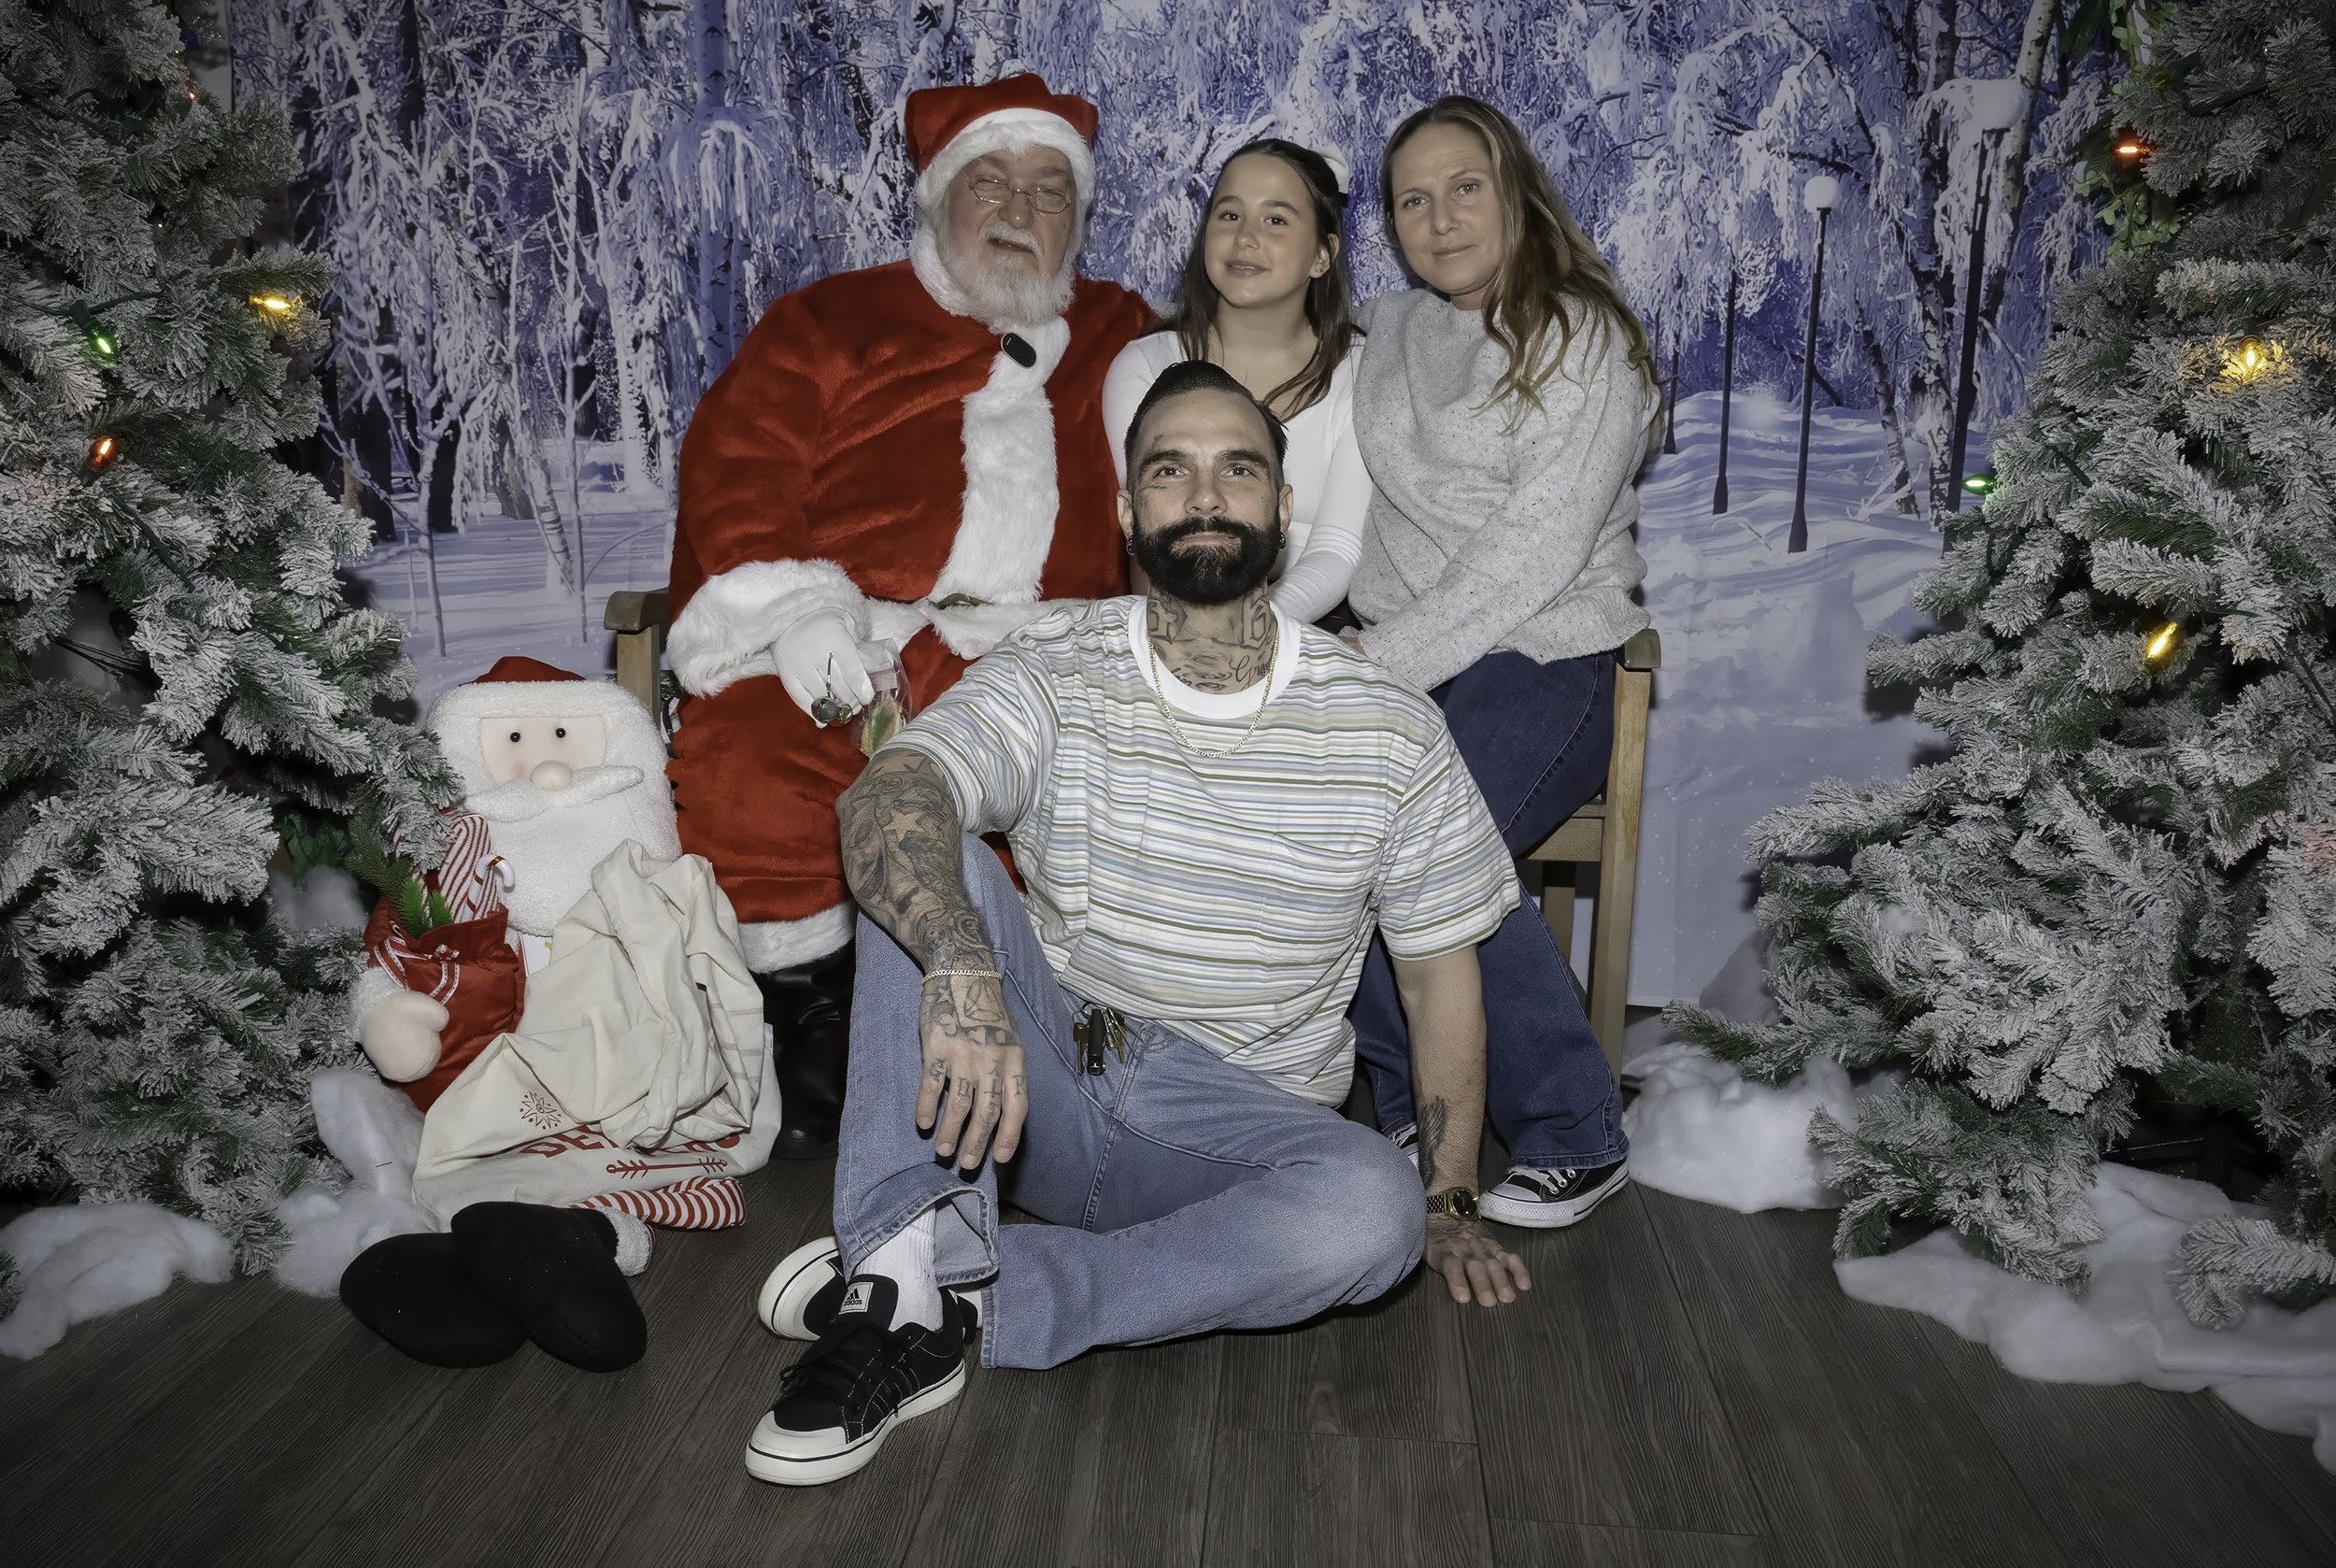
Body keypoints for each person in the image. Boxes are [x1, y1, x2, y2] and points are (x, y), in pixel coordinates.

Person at [738, 362, 1531, 1488]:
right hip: (1045, 1085)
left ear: (1283, 505)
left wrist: (1450, 1194)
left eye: (1237, 468)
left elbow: (1439, 978)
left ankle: (940, 1294)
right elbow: (892, 790)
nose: (1205, 494)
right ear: (1126, 511)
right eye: (1171, 470)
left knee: (1370, 1209)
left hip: (1235, 1137)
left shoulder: (1388, 727)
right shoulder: (1057, 667)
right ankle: (906, 1267)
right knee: (925, 843)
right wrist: (964, 958)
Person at [664, 75, 1153, 1160]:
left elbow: (1186, 470)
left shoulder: (1125, 331)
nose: (1018, 210)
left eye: (1047, 190)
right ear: (936, 198)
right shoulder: (829, 319)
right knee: (754, 756)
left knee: (1086, 797)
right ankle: (813, 1014)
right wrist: (795, 614)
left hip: (1035, 656)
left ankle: (1055, 1044)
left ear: (1080, 217)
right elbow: (739, 466)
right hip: (853, 636)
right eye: (990, 181)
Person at [1344, 96, 1661, 1229]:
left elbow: (1528, 557)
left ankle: (1577, 1129)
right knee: (1347, 826)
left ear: (1514, 187)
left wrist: (1375, 663)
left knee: (1436, 837)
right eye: (1411, 201)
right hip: (1407, 662)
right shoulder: (1387, 331)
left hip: (1549, 658)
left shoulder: (1584, 338)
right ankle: (1411, 1112)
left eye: (1462, 188)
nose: (1439, 219)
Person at [1100, 138, 1369, 624]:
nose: (1245, 237)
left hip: (1313, 620)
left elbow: (1338, 549)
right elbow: (1148, 535)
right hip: (1170, 615)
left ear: (1322, 255)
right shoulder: (1144, 365)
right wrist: (1179, 640)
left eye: (1276, 219)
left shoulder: (1361, 369)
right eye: (1228, 216)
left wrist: (1254, 628)